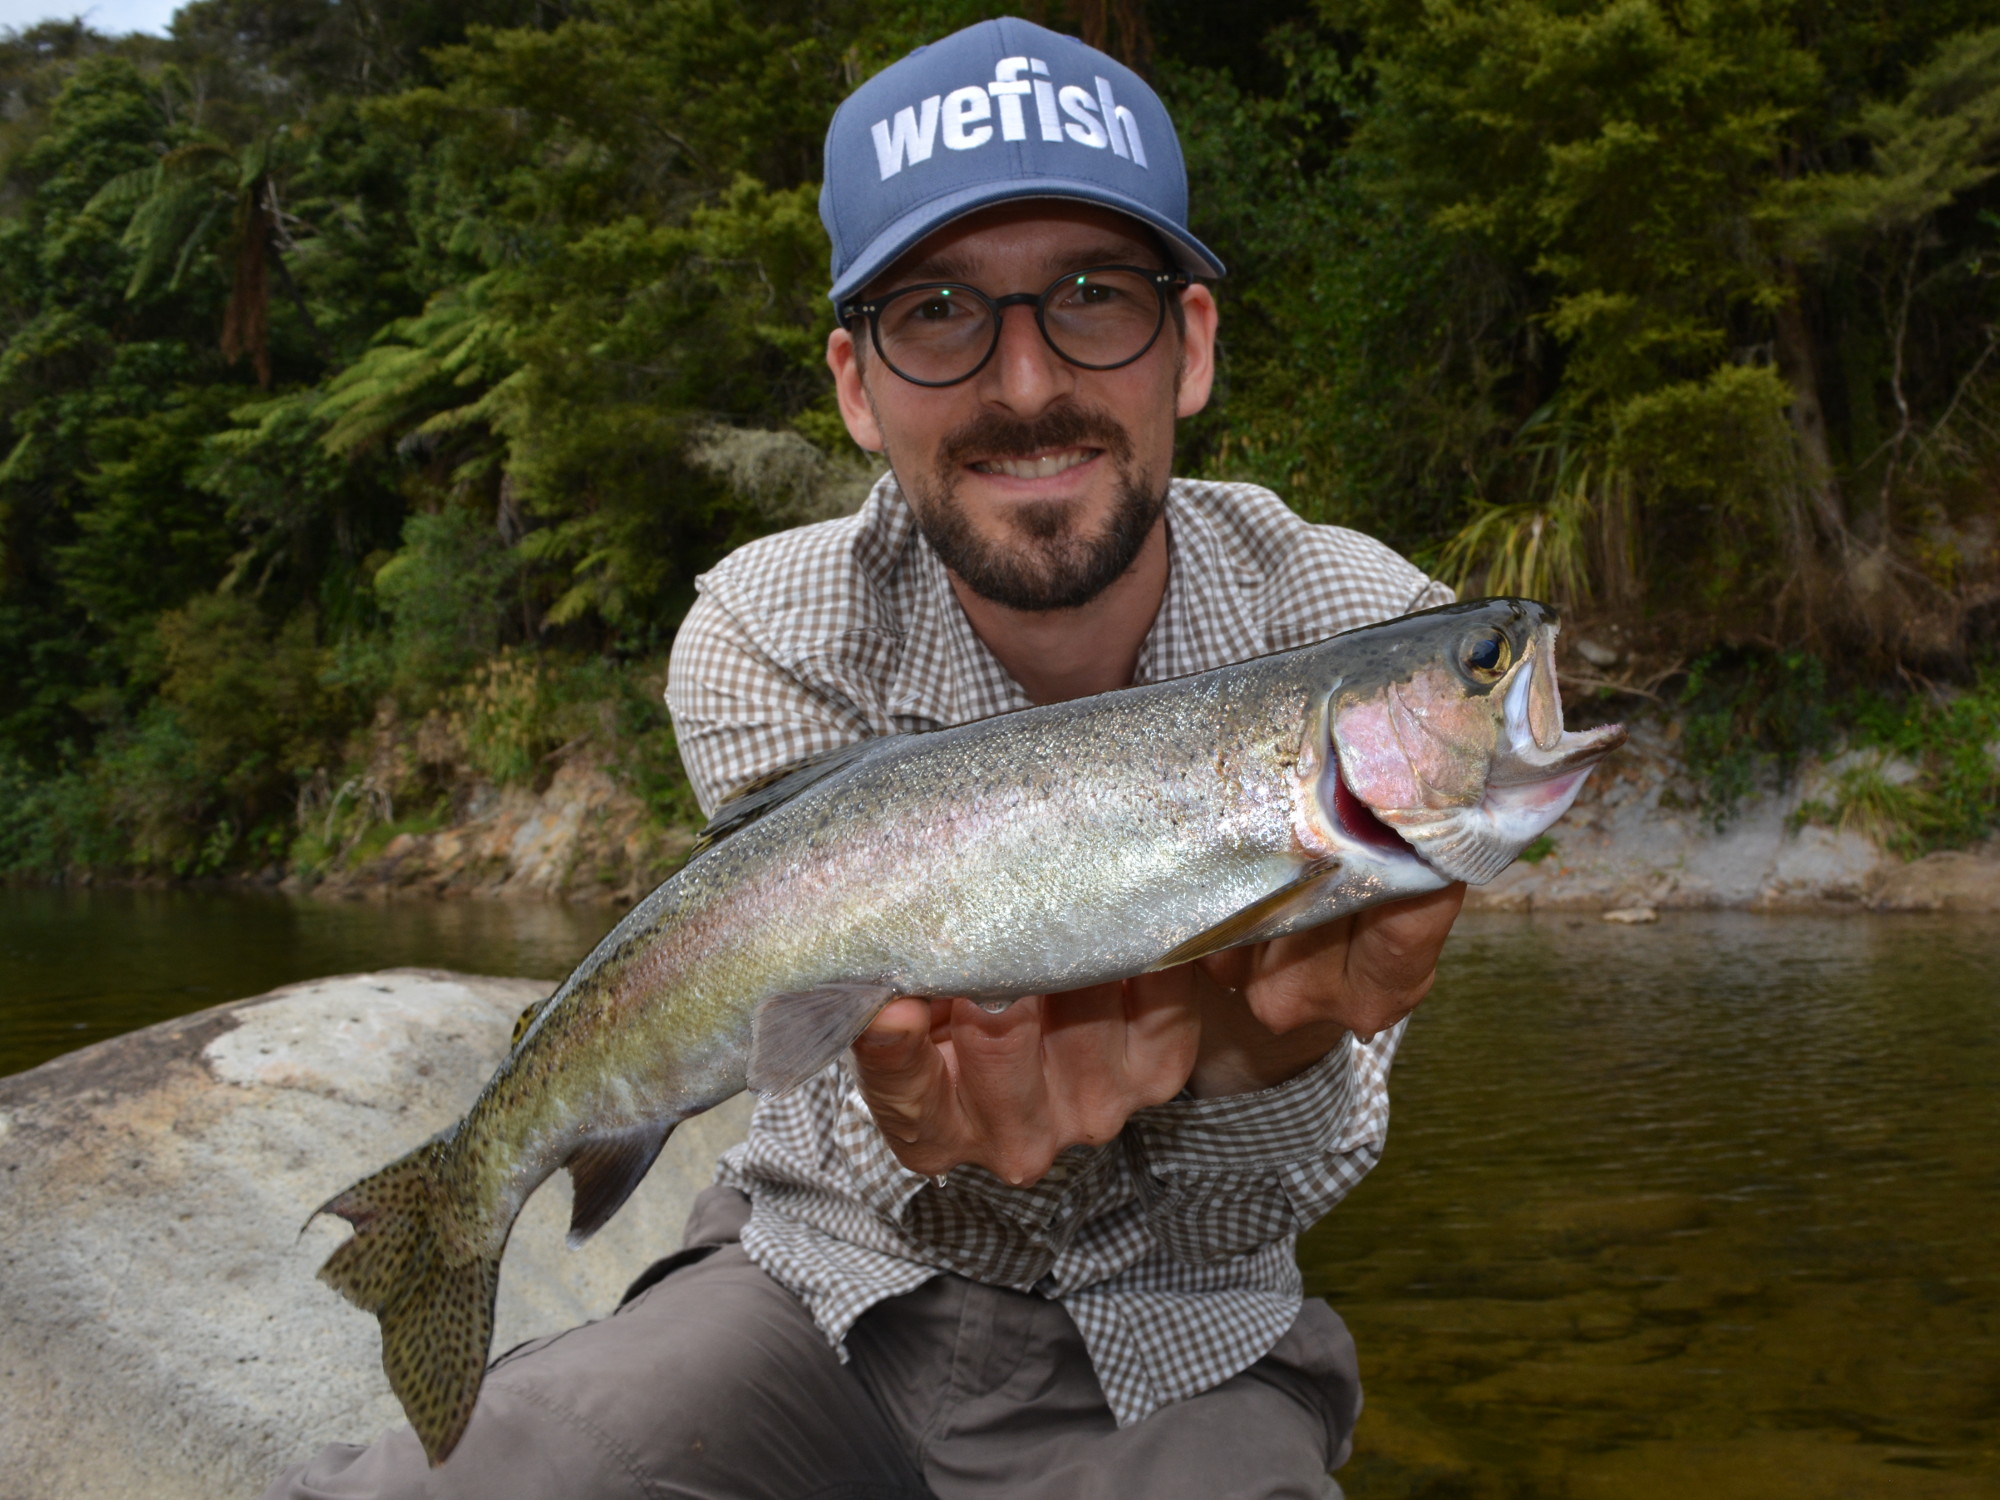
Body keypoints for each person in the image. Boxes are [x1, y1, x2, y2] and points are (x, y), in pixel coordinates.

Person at [266, 18, 1463, 1500]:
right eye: (939, 312)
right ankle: (443, 1222)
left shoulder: (1369, 632)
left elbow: (1288, 1173)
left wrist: (1256, 1055)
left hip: (1192, 1337)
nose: (1026, 382)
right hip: (816, 1290)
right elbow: (835, 1095)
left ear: (1194, 342)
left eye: (1096, 296)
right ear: (852, 381)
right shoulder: (766, 630)